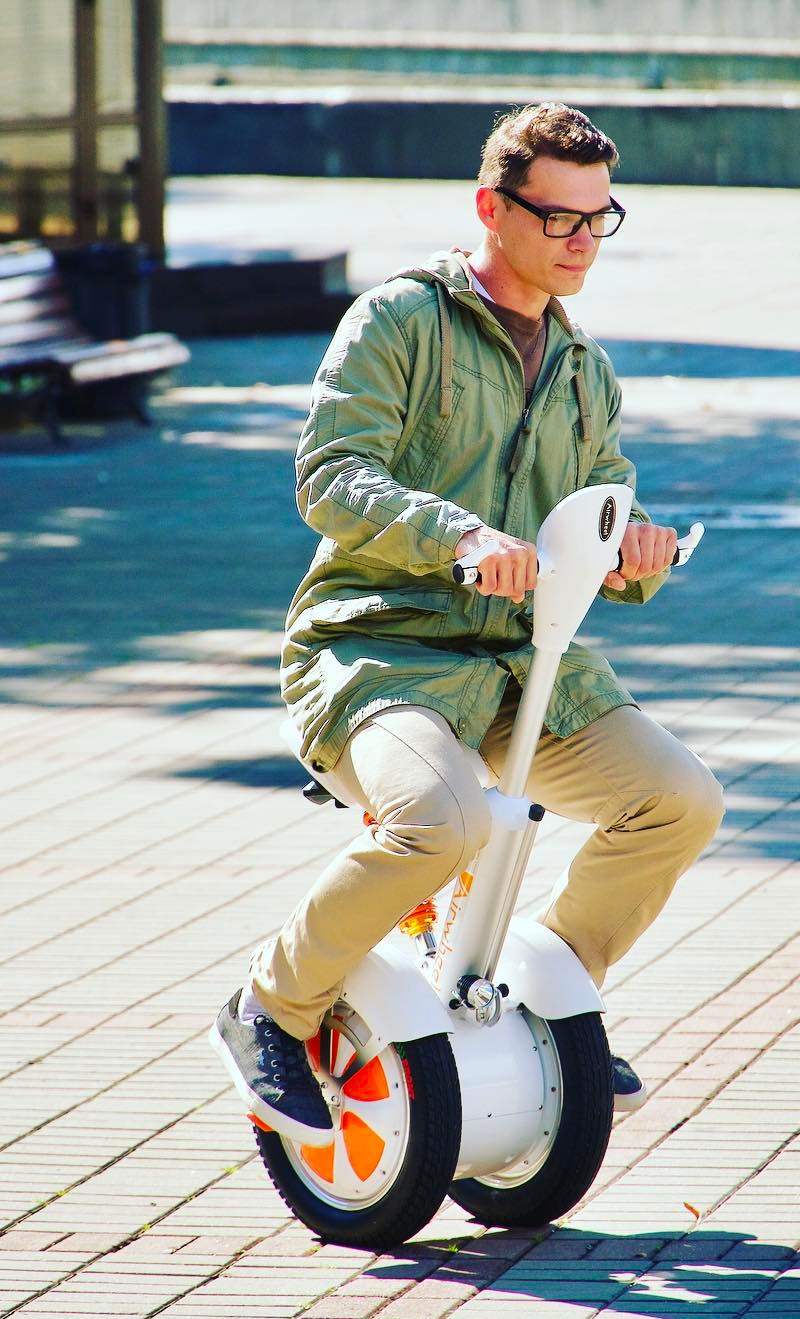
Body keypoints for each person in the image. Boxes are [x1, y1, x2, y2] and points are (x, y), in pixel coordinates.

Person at [210, 103, 725, 1145]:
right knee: (444, 823)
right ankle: (273, 1004)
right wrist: (457, 534)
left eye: (599, 218)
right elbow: (330, 474)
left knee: (679, 800)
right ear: (492, 208)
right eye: (559, 218)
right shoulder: (401, 320)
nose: (582, 241)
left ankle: (553, 996)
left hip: (521, 662)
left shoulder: (585, 370)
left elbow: (596, 514)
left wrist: (635, 549)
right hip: (378, 649)